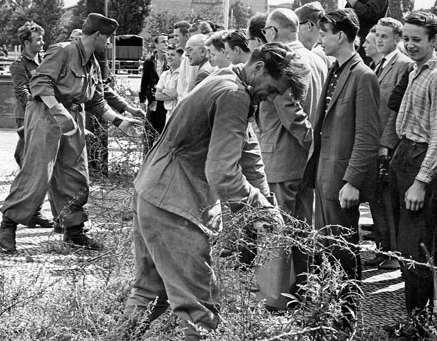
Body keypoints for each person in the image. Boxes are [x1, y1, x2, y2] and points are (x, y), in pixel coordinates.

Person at [119, 43, 305, 340]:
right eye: (272, 89)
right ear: (258, 68)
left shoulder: (225, 80)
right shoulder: (234, 95)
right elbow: (221, 171)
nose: (270, 98)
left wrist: (267, 205)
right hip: (175, 203)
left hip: (152, 193)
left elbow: (247, 151)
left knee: (149, 292)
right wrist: (261, 208)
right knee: (199, 309)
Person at [0, 13, 140, 253]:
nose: (109, 44)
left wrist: (120, 122)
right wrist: (57, 109)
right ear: (97, 35)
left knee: (76, 174)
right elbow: (40, 83)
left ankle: (74, 231)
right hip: (46, 113)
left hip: (73, 116)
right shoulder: (62, 51)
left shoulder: (92, 62)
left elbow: (97, 101)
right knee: (38, 172)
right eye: (108, 38)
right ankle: (8, 225)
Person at [304, 8, 380, 325]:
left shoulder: (363, 76)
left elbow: (368, 135)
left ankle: (345, 320)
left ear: (340, 36)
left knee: (343, 251)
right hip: (324, 176)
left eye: (324, 33)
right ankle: (329, 313)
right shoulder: (335, 70)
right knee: (327, 248)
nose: (320, 38)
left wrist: (352, 181)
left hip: (340, 181)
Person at [255, 8, 325, 310]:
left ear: (272, 31)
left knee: (277, 226)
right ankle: (303, 289)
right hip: (304, 161)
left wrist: (308, 141)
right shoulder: (318, 58)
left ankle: (277, 297)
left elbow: (289, 110)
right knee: (300, 226)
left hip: (283, 155)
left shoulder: (284, 59)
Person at [389, 11, 437, 318]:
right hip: (406, 154)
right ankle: (413, 320)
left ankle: (419, 324)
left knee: (418, 251)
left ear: (434, 41)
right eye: (406, 39)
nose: (410, 45)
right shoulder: (419, 71)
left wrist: (421, 181)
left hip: (422, 161)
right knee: (407, 249)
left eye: (417, 39)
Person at [365, 17, 413, 270]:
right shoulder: (379, 64)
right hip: (374, 142)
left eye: (385, 36)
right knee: (377, 198)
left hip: (389, 144)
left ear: (397, 39)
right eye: (378, 35)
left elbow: (397, 109)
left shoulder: (402, 64)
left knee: (388, 199)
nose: (380, 40)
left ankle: (394, 254)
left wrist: (386, 143)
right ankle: (383, 248)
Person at [9, 21, 53, 228]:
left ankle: (33, 210)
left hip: (44, 116)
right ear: (27, 42)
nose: (42, 43)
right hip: (27, 117)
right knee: (30, 162)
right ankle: (27, 211)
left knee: (34, 162)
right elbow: (21, 90)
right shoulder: (19, 64)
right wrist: (37, 101)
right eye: (38, 40)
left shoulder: (44, 60)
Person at [139, 35, 169, 154]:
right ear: (156, 45)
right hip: (153, 101)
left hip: (166, 100)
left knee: (164, 132)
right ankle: (146, 159)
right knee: (149, 132)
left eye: (167, 42)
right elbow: (144, 81)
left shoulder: (171, 60)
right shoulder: (150, 62)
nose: (165, 44)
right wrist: (142, 100)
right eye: (163, 42)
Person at [294, 1, 334, 68]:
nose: (295, 31)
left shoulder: (315, 55)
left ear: (309, 26)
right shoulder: (330, 48)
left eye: (297, 25)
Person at [155, 45, 182, 120]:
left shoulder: (183, 74)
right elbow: (157, 96)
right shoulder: (164, 74)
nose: (169, 57)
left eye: (173, 55)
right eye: (168, 54)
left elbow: (176, 93)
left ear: (180, 57)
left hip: (179, 113)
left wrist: (163, 90)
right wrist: (172, 93)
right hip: (168, 114)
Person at [174, 21, 198, 101]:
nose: (174, 39)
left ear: (187, 36)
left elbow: (190, 85)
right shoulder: (185, 55)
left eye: (177, 36)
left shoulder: (190, 57)